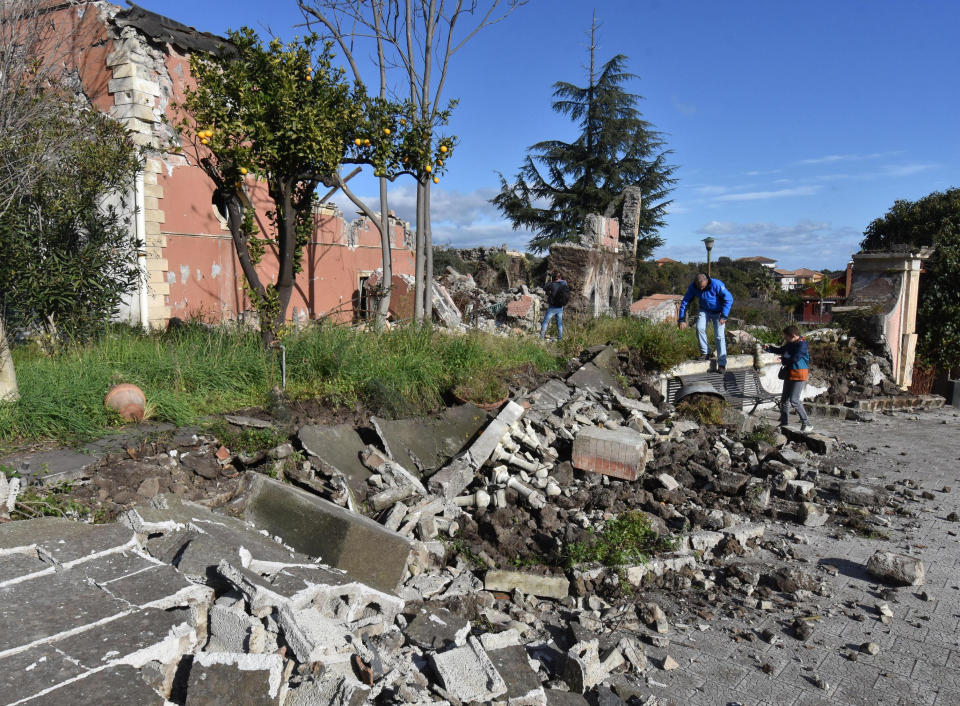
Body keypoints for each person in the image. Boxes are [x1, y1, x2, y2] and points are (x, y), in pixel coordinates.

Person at [678, 273, 733, 372]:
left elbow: (729, 299)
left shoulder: (717, 284)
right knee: (699, 328)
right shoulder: (693, 287)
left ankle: (722, 364)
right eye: (699, 287)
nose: (701, 289)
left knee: (719, 336)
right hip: (704, 310)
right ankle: (705, 353)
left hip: (719, 312)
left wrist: (724, 315)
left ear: (707, 281)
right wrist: (681, 319)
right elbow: (685, 302)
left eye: (703, 286)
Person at [764, 325, 813, 432]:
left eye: (786, 337)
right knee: (784, 400)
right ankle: (784, 423)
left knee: (794, 400)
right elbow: (781, 350)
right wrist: (769, 349)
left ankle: (807, 423)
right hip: (789, 373)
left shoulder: (802, 344)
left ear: (793, 335)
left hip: (799, 374)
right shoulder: (791, 343)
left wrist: (783, 361)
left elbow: (795, 358)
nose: (785, 339)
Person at [540, 272, 570, 340]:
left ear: (555, 277)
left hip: (552, 307)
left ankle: (541, 337)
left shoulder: (553, 284)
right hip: (560, 307)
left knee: (545, 322)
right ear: (560, 277)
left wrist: (549, 281)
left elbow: (545, 287)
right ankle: (560, 338)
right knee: (559, 323)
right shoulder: (564, 283)